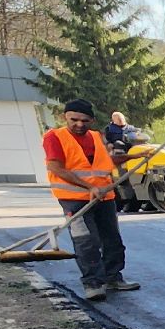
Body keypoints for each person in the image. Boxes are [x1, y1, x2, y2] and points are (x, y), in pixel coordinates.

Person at [42, 99, 139, 301]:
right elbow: (56, 167)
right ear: (64, 117)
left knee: (112, 239)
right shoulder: (54, 137)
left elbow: (106, 161)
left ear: (92, 120)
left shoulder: (97, 137)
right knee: (87, 242)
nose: (79, 124)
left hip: (104, 197)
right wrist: (89, 187)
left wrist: (133, 157)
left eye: (84, 120)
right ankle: (93, 283)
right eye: (74, 119)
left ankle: (113, 277)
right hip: (74, 199)